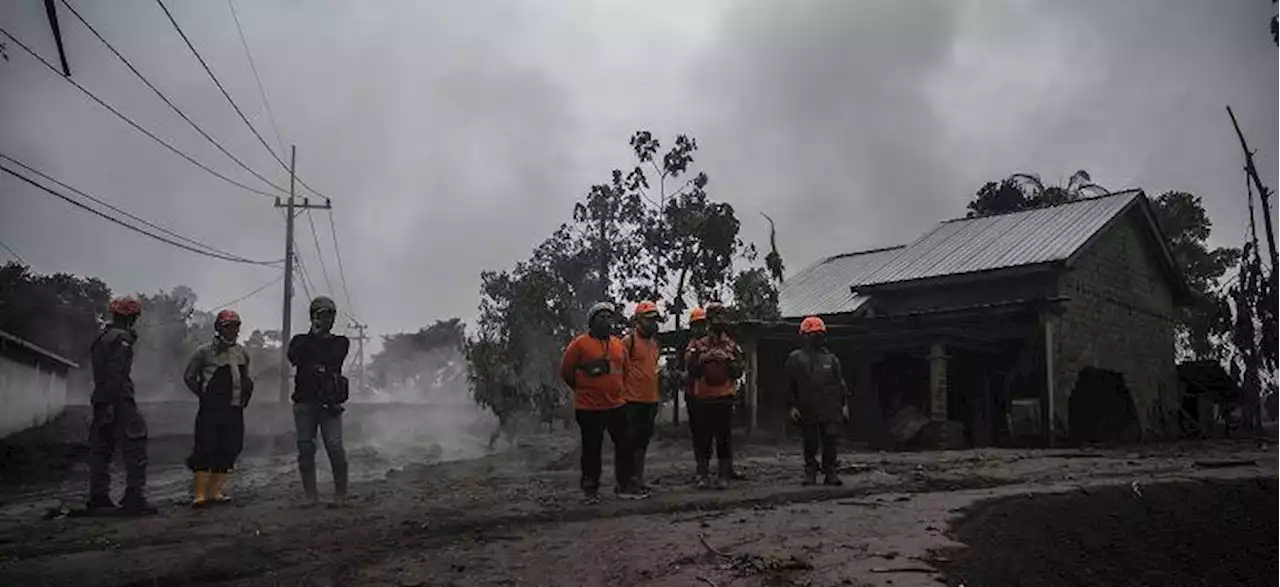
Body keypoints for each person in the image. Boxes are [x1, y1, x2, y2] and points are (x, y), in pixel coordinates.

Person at [560, 302, 648, 504]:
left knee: (625, 445)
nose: (607, 320)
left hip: (616, 405)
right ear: (592, 322)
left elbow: (624, 371)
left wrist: (618, 391)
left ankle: (624, 486)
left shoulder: (618, 344)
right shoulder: (579, 344)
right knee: (592, 449)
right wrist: (582, 389)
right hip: (589, 408)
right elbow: (566, 371)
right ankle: (590, 490)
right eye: (602, 317)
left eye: (609, 317)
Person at [86, 296, 158, 516]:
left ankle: (98, 497)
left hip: (100, 398)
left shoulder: (102, 338)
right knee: (135, 445)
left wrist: (104, 403)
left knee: (101, 449)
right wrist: (112, 403)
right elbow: (117, 372)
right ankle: (133, 497)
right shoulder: (122, 338)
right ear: (132, 317)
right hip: (118, 400)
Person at [183, 309, 254, 507]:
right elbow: (189, 377)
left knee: (230, 447)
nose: (232, 330)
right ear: (219, 328)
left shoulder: (241, 353)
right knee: (205, 447)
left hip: (234, 409)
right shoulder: (204, 352)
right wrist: (204, 396)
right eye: (228, 326)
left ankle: (215, 492)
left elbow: (245, 378)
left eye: (235, 326)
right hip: (211, 410)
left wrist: (245, 396)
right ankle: (199, 494)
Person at [288, 296, 351, 507]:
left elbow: (333, 358)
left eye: (329, 315)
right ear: (313, 316)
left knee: (334, 445)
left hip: (329, 403)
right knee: (305, 447)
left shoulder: (340, 342)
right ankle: (310, 495)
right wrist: (312, 336)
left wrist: (317, 339)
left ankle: (340, 494)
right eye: (321, 315)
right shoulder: (299, 341)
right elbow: (294, 357)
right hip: (304, 402)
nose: (326, 320)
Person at [684, 302, 744, 490]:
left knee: (724, 438)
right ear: (708, 320)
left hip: (725, 396)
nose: (719, 321)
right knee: (704, 438)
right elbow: (691, 371)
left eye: (722, 317)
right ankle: (702, 475)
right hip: (703, 397)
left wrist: (727, 362)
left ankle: (723, 476)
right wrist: (704, 360)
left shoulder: (732, 346)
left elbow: (739, 371)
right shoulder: (697, 345)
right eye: (715, 317)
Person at [784, 316, 849, 486]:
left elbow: (840, 383)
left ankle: (831, 472)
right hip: (807, 408)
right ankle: (810, 472)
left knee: (830, 440)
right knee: (810, 441)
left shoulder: (832, 359)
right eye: (813, 333)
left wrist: (844, 405)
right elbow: (789, 385)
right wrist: (792, 406)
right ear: (804, 336)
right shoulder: (795, 358)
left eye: (820, 333)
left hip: (830, 407)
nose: (817, 337)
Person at [621, 301, 662, 492]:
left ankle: (639, 478)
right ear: (638, 320)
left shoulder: (654, 344)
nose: (653, 324)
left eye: (655, 320)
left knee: (642, 443)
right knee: (628, 442)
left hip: (650, 400)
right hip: (630, 401)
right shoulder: (628, 342)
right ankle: (625, 482)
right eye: (649, 320)